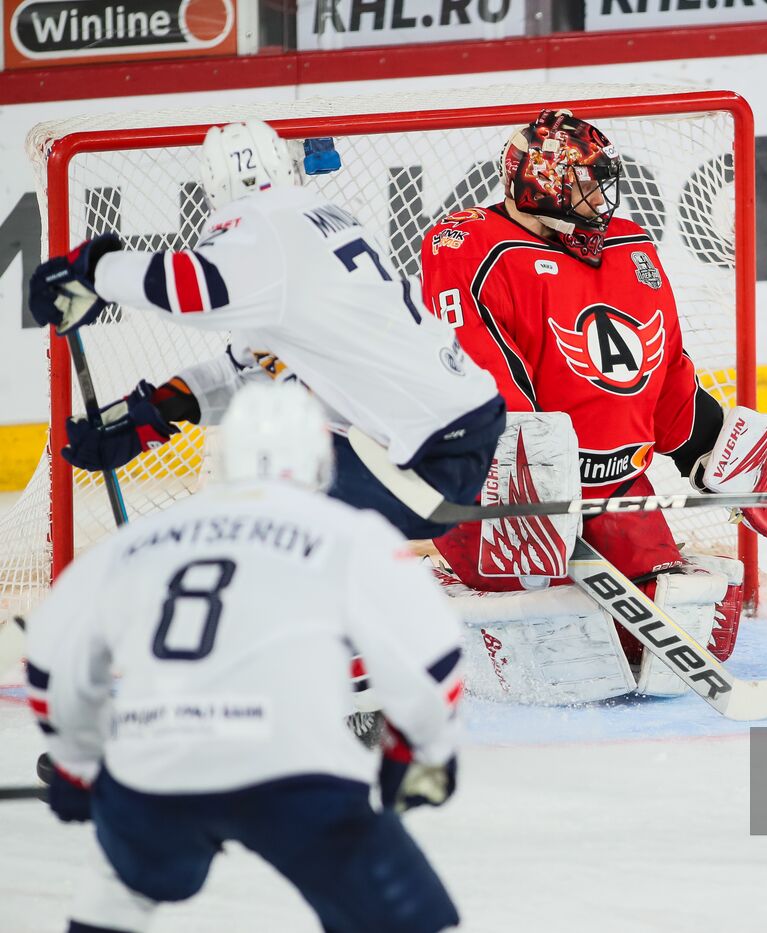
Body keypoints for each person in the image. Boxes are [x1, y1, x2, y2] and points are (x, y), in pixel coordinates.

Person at [418, 109, 767, 704]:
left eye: (602, 181)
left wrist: (711, 448)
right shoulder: (465, 246)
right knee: (555, 656)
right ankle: (440, 572)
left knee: (667, 645)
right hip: (499, 486)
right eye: (586, 183)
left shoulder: (628, 243)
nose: (601, 198)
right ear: (541, 182)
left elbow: (661, 365)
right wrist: (535, 490)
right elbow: (484, 384)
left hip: (614, 486)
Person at [23, 382, 466, 933]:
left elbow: (49, 658)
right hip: (294, 770)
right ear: (323, 462)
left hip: (155, 764)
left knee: (120, 885)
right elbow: (433, 661)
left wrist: (78, 765)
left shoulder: (138, 542)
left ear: (223, 459)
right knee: (410, 918)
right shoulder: (351, 534)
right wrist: (423, 754)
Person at [28, 119, 505, 542]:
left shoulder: (263, 222)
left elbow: (195, 290)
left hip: (421, 455)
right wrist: (155, 412)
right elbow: (251, 370)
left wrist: (94, 271)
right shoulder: (315, 219)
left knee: (247, 511)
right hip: (459, 427)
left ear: (214, 189)